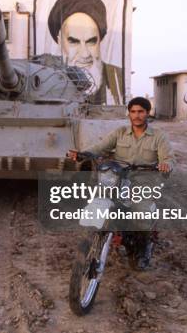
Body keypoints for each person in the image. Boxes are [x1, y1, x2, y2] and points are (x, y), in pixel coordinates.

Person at [68, 96, 175, 269]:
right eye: (133, 111)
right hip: (117, 177)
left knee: (140, 213)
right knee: (98, 202)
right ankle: (100, 234)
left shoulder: (159, 136)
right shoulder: (120, 132)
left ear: (147, 113)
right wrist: (83, 154)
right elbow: (100, 147)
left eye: (141, 111)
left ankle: (143, 248)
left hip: (144, 180)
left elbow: (169, 158)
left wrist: (165, 165)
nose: (137, 115)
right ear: (129, 114)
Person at [47, 0, 123, 105]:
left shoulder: (118, 77)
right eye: (74, 42)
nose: (85, 54)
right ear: (59, 41)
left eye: (91, 41)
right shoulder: (47, 78)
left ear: (100, 40)